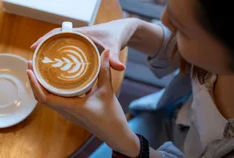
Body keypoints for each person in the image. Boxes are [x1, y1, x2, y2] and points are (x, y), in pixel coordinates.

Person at [27, 0, 234, 157]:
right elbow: (188, 50)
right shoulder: (216, 56)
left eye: (182, 30)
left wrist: (126, 143)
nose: (163, 20)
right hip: (165, 116)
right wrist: (134, 29)